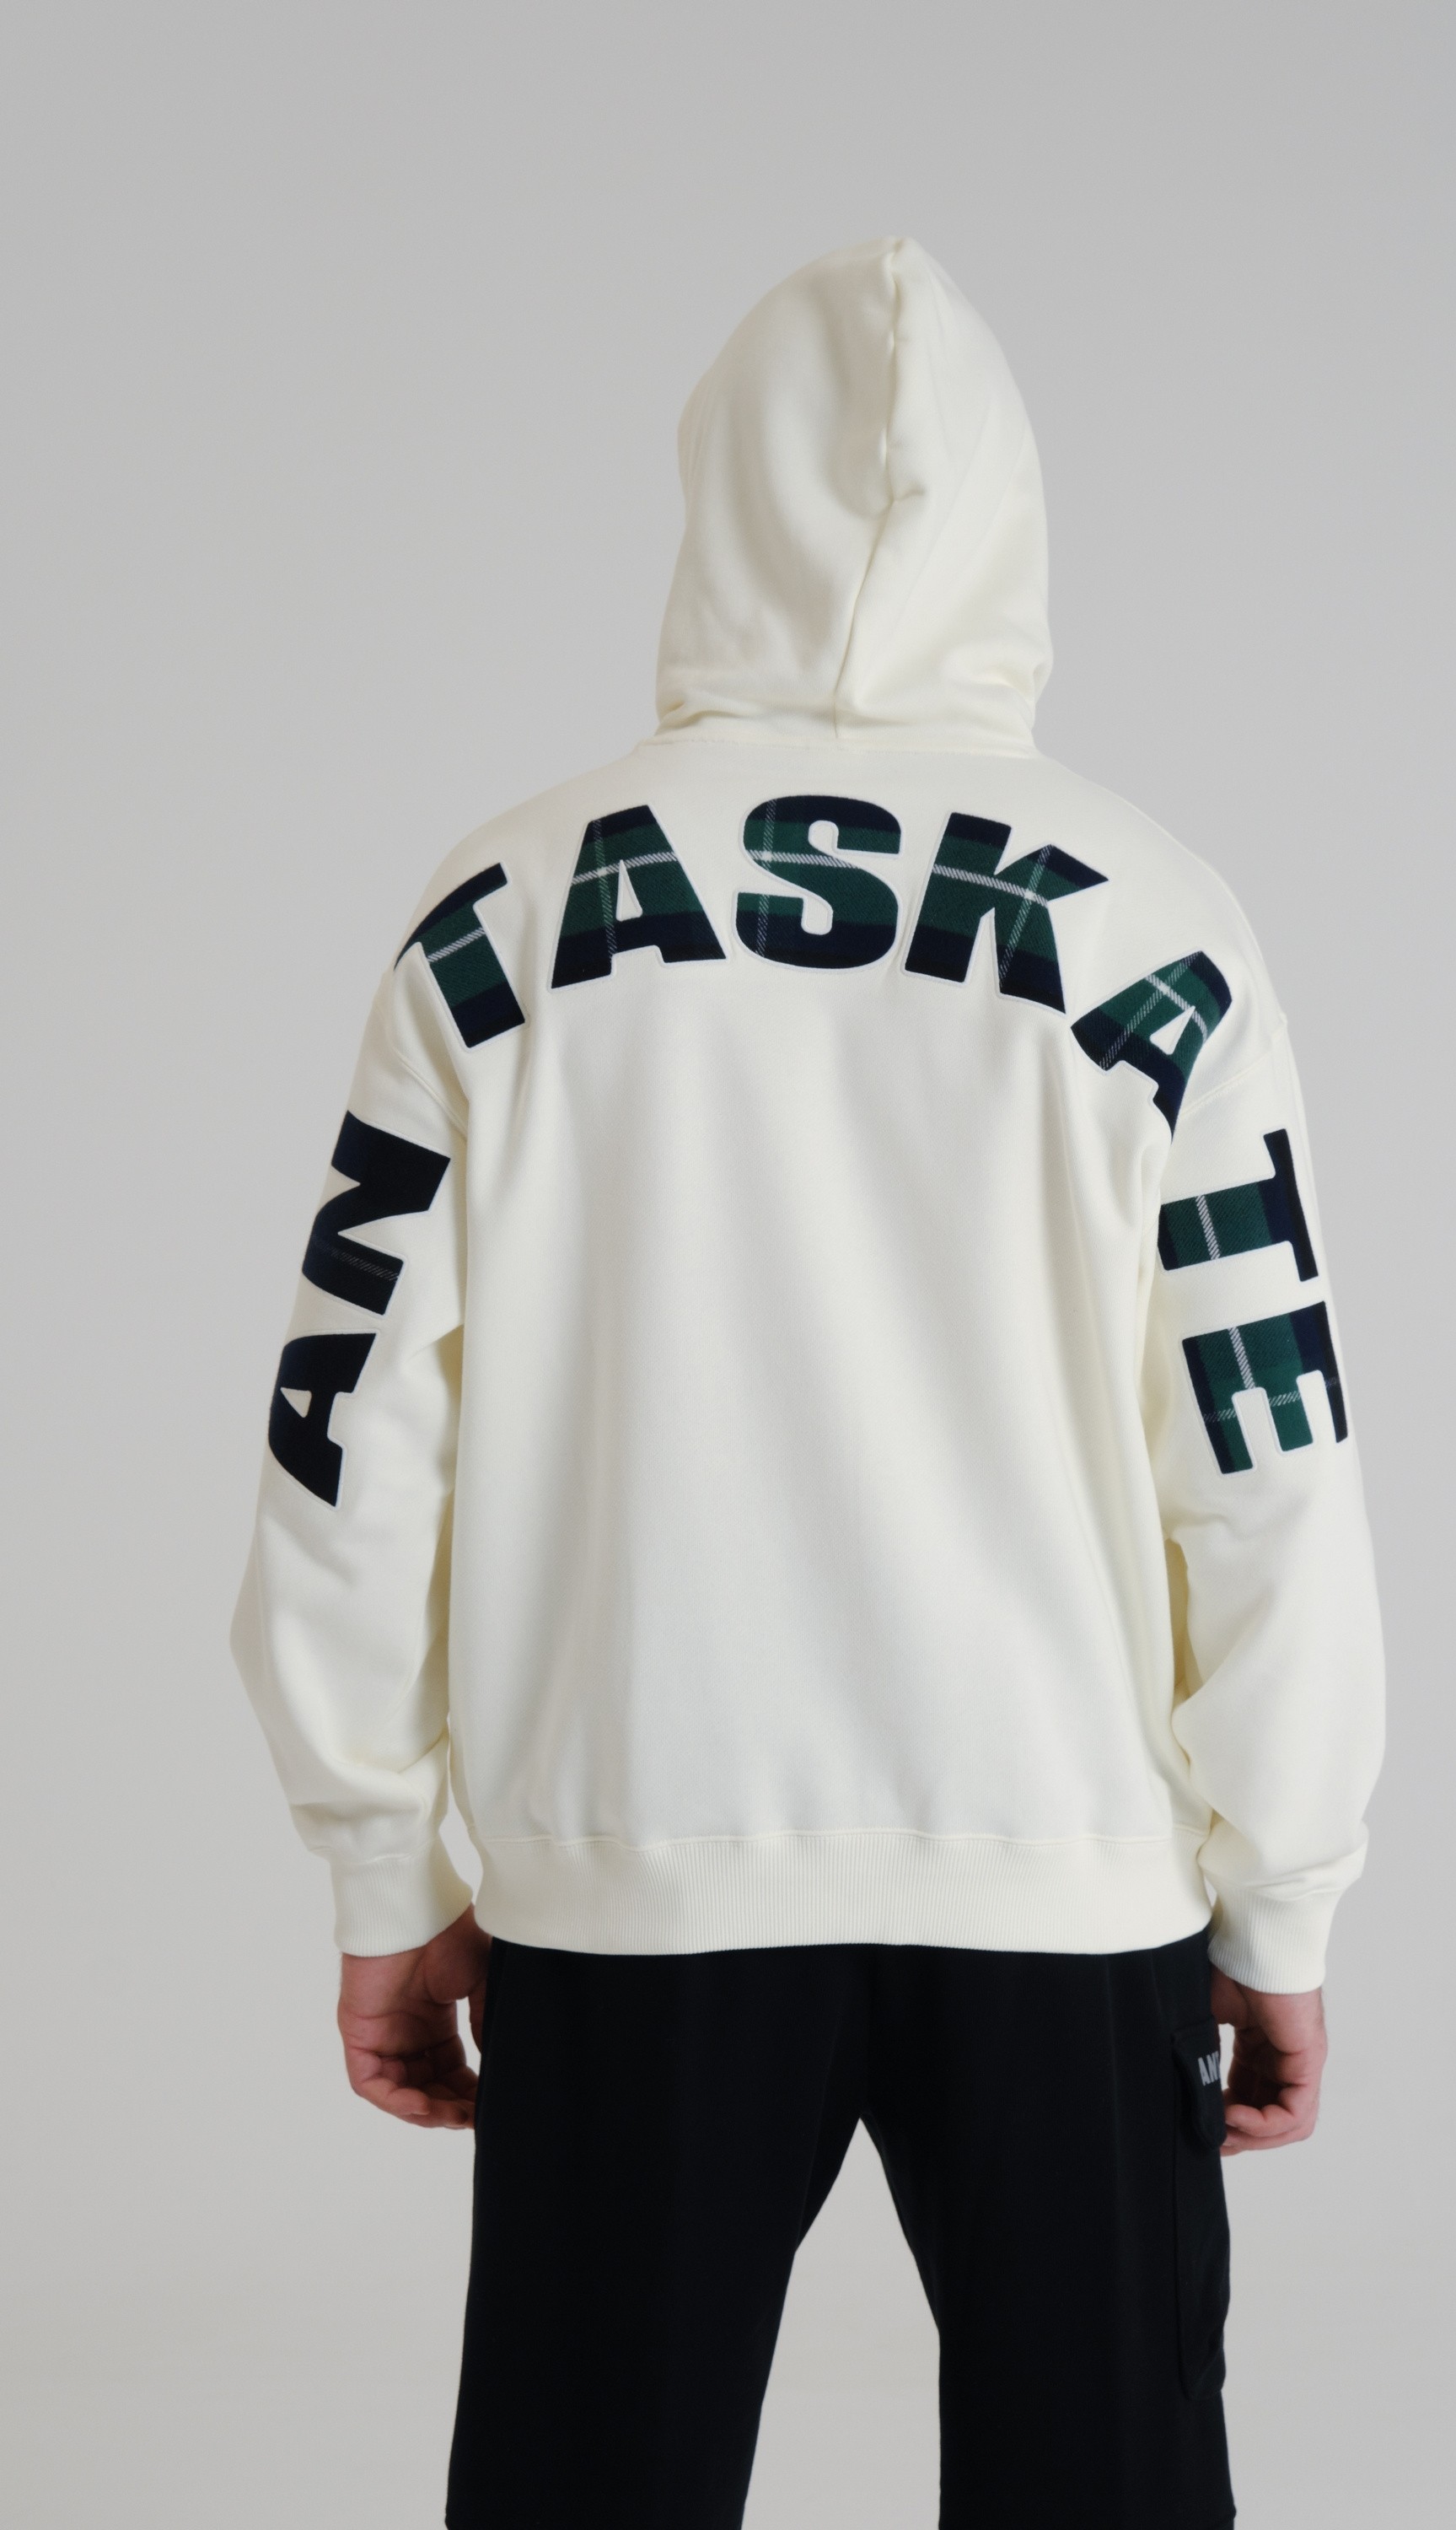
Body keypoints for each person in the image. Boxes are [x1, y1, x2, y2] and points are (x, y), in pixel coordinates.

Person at [234, 236, 1384, 2529]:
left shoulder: (500, 912)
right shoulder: (1157, 917)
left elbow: (348, 1430)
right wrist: (1284, 1895)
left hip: (633, 1859)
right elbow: (1264, 1447)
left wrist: (385, 1860)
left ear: (713, 506)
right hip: (1066, 1873)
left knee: (587, 2490)